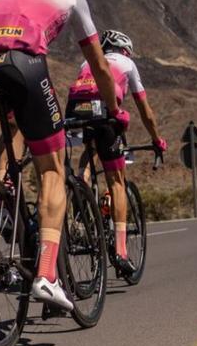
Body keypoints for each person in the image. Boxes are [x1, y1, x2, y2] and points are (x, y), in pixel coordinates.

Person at [0, 0, 122, 312]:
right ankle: (47, 276)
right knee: (52, 168)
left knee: (16, 123)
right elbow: (99, 63)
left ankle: (6, 198)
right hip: (23, 67)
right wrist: (113, 111)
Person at [66, 30, 166, 276]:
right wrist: (157, 139)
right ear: (124, 50)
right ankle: (121, 251)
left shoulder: (86, 61)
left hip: (76, 111)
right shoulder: (127, 64)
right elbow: (144, 109)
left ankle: (81, 192)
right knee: (117, 182)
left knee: (89, 151)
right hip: (105, 115)